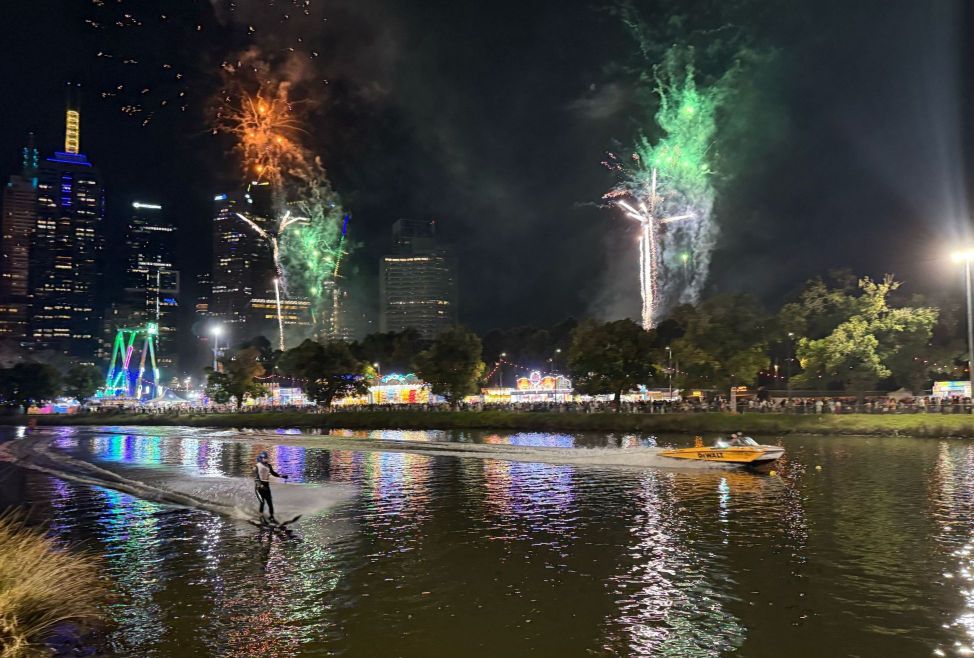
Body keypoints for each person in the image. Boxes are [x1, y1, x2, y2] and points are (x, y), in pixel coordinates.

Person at [254, 451, 288, 522]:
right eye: (264, 458)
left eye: (267, 458)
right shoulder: (257, 466)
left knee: (270, 503)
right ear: (261, 458)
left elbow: (273, 473)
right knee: (262, 502)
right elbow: (256, 478)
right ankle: (260, 516)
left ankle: (271, 517)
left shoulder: (269, 466)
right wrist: (260, 485)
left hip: (266, 487)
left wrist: (281, 476)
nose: (266, 459)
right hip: (258, 488)